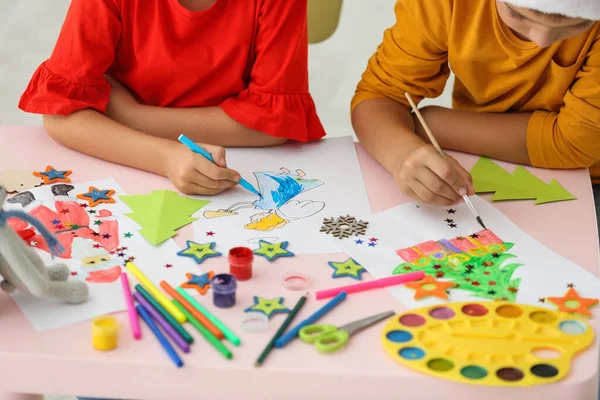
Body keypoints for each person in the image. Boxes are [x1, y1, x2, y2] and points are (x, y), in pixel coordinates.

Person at [19, 0, 326, 197]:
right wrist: (165, 157)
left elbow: (273, 126)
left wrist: (130, 114)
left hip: (229, 165)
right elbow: (61, 114)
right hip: (127, 168)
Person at [351, 0, 600, 234]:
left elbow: (574, 144)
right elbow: (378, 96)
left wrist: (435, 125)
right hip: (476, 160)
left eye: (579, 23)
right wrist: (401, 153)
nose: (542, 39)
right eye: (518, 14)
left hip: (589, 181)